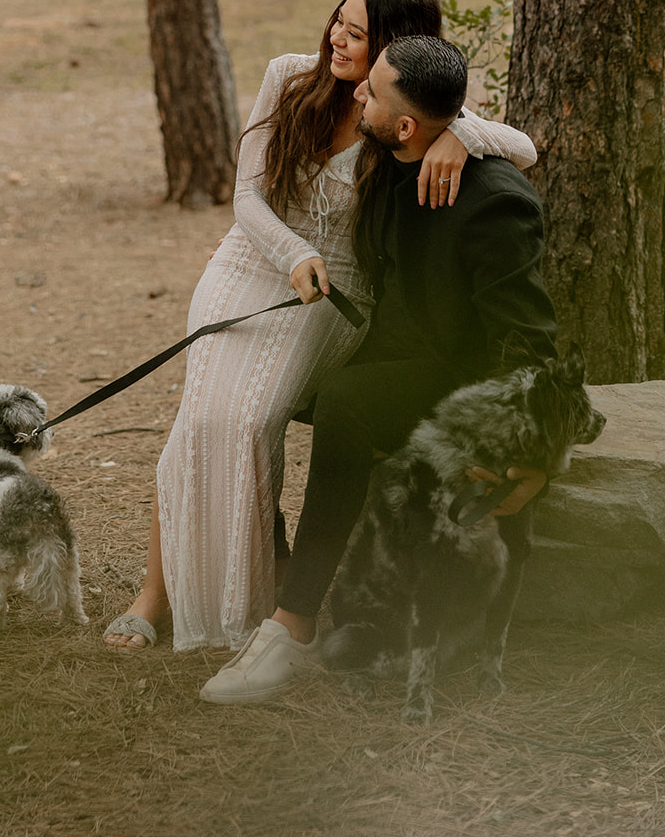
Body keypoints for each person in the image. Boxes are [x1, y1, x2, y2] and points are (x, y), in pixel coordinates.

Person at [104, 0, 539, 653]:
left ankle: (257, 592)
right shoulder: (287, 77)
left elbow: (524, 148)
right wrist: (291, 251)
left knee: (247, 419)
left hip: (337, 292)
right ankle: (156, 592)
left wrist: (460, 136)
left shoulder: (401, 106)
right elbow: (246, 197)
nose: (337, 39)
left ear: (394, 49)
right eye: (338, 22)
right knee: (200, 414)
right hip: (253, 260)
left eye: (358, 34)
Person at [198, 34, 557, 703]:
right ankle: (274, 575)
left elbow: (528, 340)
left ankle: (292, 623)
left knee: (346, 401)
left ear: (404, 124)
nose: (356, 89)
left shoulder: (497, 206)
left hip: (458, 377)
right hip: (392, 344)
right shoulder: (392, 151)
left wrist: (529, 456)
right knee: (249, 394)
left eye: (373, 87)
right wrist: (455, 134)